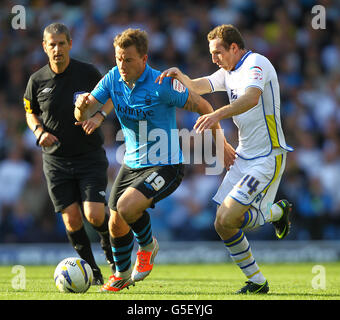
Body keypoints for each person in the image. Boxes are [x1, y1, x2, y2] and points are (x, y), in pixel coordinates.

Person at [74, 27, 236, 292]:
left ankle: (148, 246)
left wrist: (221, 144)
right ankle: (122, 274)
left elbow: (204, 107)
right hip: (132, 163)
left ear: (144, 59)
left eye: (128, 59)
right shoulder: (113, 78)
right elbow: (84, 111)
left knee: (126, 207)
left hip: (167, 164)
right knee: (115, 222)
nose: (122, 65)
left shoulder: (162, 84)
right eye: (118, 58)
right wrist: (81, 107)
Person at [157, 24, 293, 294]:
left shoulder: (256, 62)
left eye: (217, 52)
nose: (213, 58)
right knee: (221, 222)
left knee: (231, 214)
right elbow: (200, 85)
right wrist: (180, 76)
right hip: (244, 156)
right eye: (211, 53)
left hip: (268, 156)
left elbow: (252, 98)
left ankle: (277, 212)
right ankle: (257, 280)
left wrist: (217, 115)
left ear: (234, 47)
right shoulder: (227, 73)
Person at [23, 23, 115, 285]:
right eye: (51, 44)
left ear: (70, 44)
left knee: (94, 214)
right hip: (56, 160)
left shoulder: (87, 72)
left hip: (89, 156)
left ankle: (115, 257)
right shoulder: (36, 80)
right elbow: (30, 112)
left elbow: (111, 95)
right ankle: (93, 273)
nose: (57, 49)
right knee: (72, 220)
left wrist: (99, 116)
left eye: (61, 43)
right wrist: (39, 131)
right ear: (44, 47)